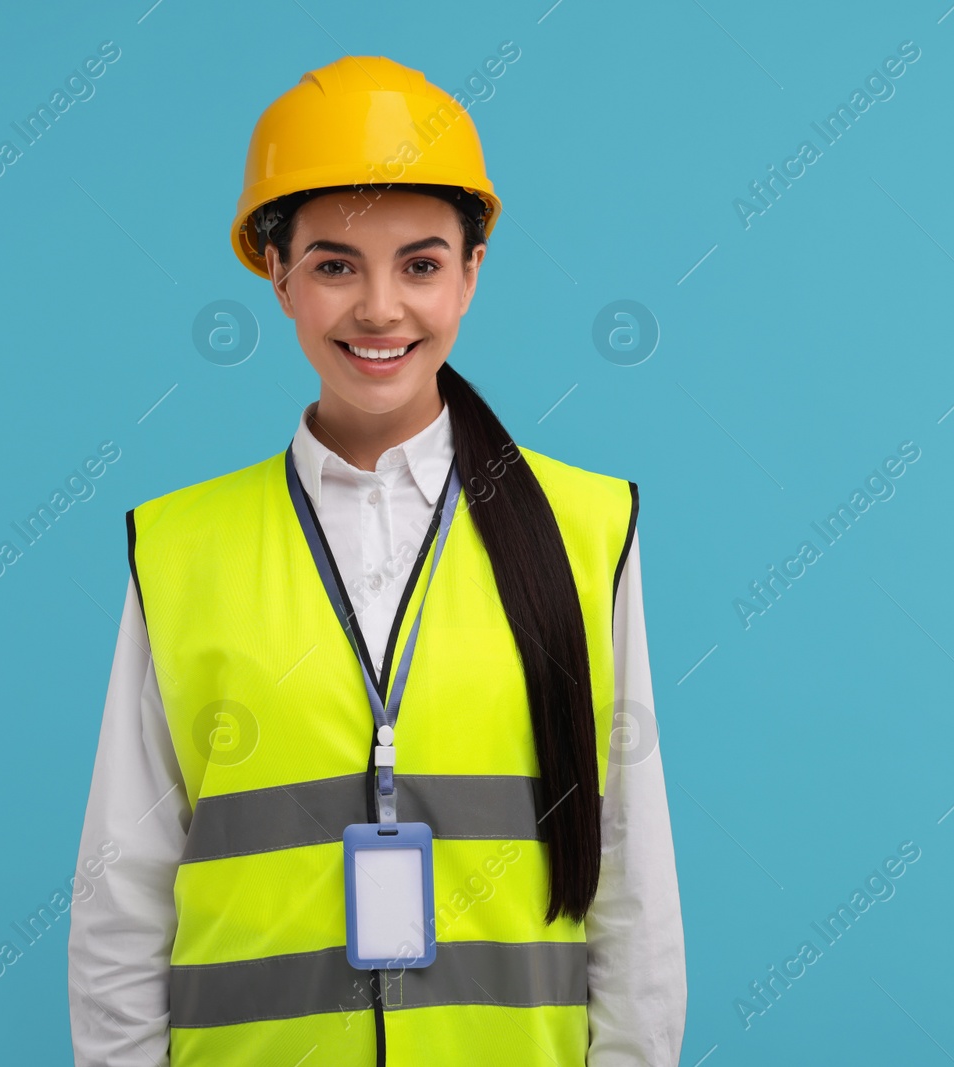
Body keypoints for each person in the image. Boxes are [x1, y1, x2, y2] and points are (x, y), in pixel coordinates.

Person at [67, 55, 685, 1066]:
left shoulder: (585, 526)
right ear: (277, 273)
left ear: (472, 271)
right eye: (334, 263)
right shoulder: (181, 549)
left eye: (422, 262)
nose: (380, 308)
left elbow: (632, 881)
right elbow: (121, 888)